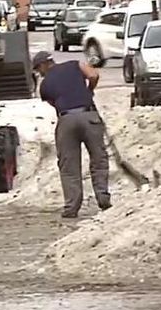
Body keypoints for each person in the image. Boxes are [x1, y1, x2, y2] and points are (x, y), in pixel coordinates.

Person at [32, 50, 111, 218]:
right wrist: (89, 92)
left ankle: (71, 207)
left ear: (43, 65)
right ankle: (103, 197)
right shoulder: (74, 64)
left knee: (69, 166)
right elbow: (94, 75)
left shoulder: (44, 86)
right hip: (89, 115)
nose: (39, 73)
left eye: (38, 69)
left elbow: (55, 106)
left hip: (66, 120)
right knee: (99, 158)